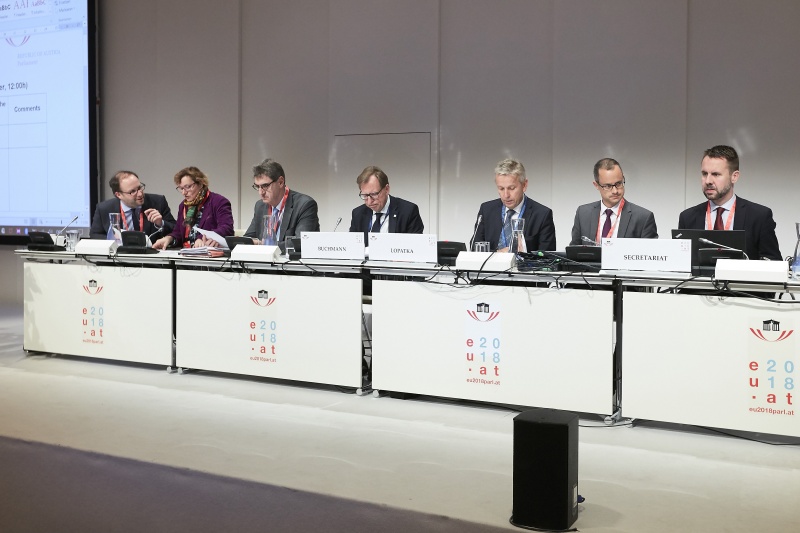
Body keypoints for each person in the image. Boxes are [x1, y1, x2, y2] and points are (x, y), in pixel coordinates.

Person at [678, 145, 781, 260]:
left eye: (716, 174)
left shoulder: (759, 216)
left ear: (734, 177)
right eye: (704, 174)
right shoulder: (687, 217)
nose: (708, 181)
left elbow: (774, 262)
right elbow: (680, 263)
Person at [472, 158, 556, 252]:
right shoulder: (487, 210)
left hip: (525, 266)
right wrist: (498, 254)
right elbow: (475, 249)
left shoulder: (542, 215)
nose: (506, 195)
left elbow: (548, 258)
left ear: (524, 185)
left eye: (511, 188)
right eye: (501, 188)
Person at [570, 158, 658, 245]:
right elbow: (573, 252)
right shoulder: (583, 214)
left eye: (619, 183)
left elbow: (650, 255)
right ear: (596, 185)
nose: (615, 191)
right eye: (608, 186)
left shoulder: (643, 218)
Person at [152, 166, 234, 249]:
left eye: (187, 187)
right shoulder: (183, 206)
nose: (184, 192)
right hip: (187, 253)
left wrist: (202, 238)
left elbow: (227, 228)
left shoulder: (218, 201)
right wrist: (169, 238)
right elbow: (178, 233)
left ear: (201, 184)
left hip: (209, 254)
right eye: (181, 188)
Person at [244, 158, 320, 244]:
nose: (260, 192)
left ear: (280, 182)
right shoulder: (260, 206)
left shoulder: (305, 205)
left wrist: (263, 245)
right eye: (258, 187)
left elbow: (301, 242)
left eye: (265, 186)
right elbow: (249, 238)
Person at [90, 170, 176, 240]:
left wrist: (161, 223)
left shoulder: (158, 202)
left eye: (139, 188)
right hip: (118, 258)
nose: (140, 194)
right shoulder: (104, 208)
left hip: (150, 257)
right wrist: (116, 241)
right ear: (118, 195)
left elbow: (176, 230)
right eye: (132, 191)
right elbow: (95, 235)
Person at [349, 165, 424, 239]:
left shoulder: (408, 212)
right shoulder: (358, 214)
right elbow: (353, 246)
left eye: (374, 194)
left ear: (387, 189)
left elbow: (414, 247)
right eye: (365, 195)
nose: (369, 202)